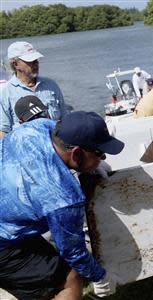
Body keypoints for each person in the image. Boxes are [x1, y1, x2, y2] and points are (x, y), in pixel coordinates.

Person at [0, 111, 124, 299]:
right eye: (99, 153)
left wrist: (91, 163)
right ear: (76, 154)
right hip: (4, 241)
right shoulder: (63, 197)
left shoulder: (37, 127)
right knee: (70, 281)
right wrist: (100, 277)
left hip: (8, 224)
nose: (104, 158)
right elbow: (72, 251)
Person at [0, 41, 68, 137]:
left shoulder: (51, 85)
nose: (35, 63)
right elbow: (3, 130)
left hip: (55, 145)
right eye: (30, 61)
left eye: (36, 59)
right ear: (16, 64)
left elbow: (65, 118)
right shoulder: (5, 92)